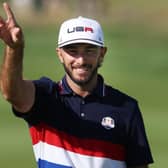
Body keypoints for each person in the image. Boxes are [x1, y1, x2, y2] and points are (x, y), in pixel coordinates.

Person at [0, 2, 153, 168]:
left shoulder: (126, 109)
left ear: (102, 54)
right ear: (60, 54)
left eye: (89, 50)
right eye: (72, 51)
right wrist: (15, 48)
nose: (81, 60)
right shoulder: (46, 98)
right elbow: (12, 93)